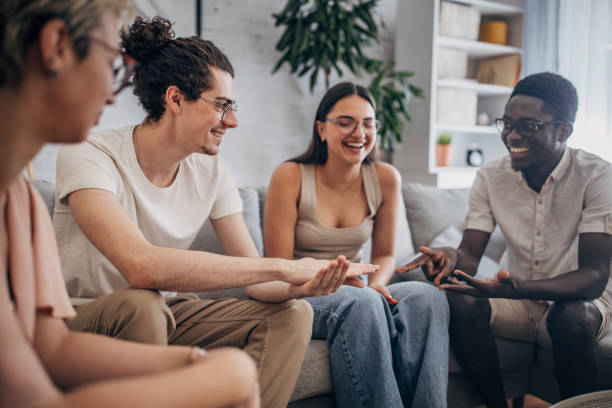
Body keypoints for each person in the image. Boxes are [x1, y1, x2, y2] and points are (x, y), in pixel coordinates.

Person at [53, 16, 377, 408]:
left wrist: (303, 284)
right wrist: (283, 266)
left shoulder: (211, 171)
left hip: (170, 311)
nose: (233, 121)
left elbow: (257, 279)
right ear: (175, 100)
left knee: (291, 315)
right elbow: (140, 267)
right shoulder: (90, 154)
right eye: (222, 106)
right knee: (141, 304)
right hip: (88, 317)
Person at [0, 1, 260, 407]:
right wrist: (223, 377)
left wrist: (192, 362)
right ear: (55, 47)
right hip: (107, 309)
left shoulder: (21, 202)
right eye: (112, 64)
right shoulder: (88, 156)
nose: (116, 88)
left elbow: (52, 353)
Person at [398, 72, 612, 407]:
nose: (511, 135)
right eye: (507, 123)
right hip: (517, 302)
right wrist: (448, 258)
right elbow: (469, 252)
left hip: (575, 300)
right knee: (460, 297)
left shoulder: (598, 176)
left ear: (563, 130)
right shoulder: (490, 177)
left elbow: (594, 278)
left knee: (572, 318)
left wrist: (518, 287)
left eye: (528, 126)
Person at [264, 82, 450, 408]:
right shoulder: (290, 175)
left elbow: (385, 254)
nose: (359, 132)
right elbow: (279, 266)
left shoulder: (385, 177)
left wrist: (377, 284)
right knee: (362, 304)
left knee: (426, 297)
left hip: (360, 286)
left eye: (368, 123)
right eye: (346, 122)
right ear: (322, 129)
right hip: (307, 290)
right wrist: (355, 290)